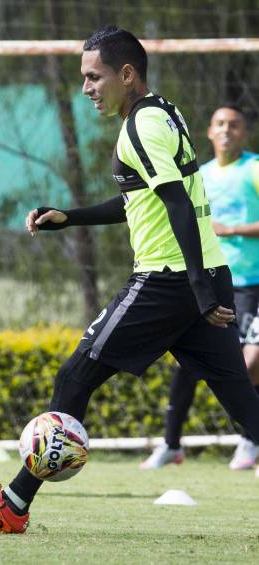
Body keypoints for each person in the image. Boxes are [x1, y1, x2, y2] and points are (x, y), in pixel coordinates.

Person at [0, 25, 259, 534]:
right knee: (245, 405)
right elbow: (143, 200)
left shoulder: (142, 125)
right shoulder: (164, 112)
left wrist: (198, 293)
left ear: (127, 74)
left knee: (74, 377)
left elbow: (178, 206)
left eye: (95, 77)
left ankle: (12, 504)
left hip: (169, 280)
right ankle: (14, 503)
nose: (87, 88)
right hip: (202, 277)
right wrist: (70, 216)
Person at [140, 106, 259, 471]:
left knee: (248, 364)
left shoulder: (253, 168)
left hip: (252, 285)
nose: (227, 130)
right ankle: (171, 445)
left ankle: (250, 440)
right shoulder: (201, 174)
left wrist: (234, 230)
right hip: (209, 285)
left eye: (234, 125)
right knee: (187, 363)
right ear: (208, 131)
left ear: (244, 132)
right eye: (220, 124)